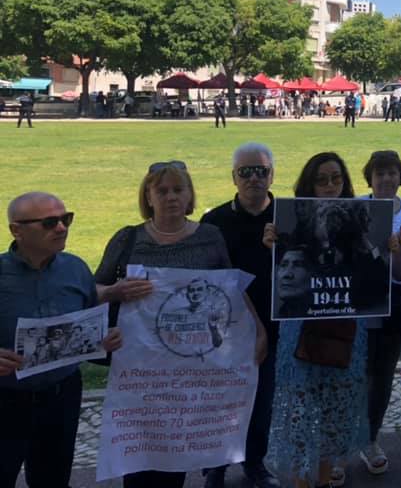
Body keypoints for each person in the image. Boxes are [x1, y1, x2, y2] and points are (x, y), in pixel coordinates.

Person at [94, 162, 267, 488]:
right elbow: (92, 290)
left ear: (189, 196)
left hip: (190, 368)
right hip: (142, 368)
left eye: (178, 190)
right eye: (162, 191)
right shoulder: (128, 238)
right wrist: (114, 291)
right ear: (148, 196)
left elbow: (230, 288)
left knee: (177, 451)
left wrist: (257, 329)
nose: (171, 197)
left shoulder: (209, 237)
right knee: (141, 452)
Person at [1, 192, 123, 488]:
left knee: (53, 479)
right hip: (6, 399)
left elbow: (89, 321)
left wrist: (103, 339)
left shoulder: (76, 268)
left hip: (61, 395)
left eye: (66, 219)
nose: (61, 228)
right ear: (17, 230)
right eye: (49, 222)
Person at [264, 152, 367, 488]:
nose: (330, 185)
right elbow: (280, 278)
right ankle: (300, 481)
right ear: (309, 184)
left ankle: (323, 480)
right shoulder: (291, 228)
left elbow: (374, 281)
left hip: (346, 329)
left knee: (334, 410)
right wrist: (271, 246)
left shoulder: (356, 229)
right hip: (300, 329)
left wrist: (383, 247)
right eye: (321, 179)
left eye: (336, 178)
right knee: (299, 407)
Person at [199, 143, 280, 488]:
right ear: (233, 177)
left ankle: (255, 462)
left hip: (273, 323)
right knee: (220, 399)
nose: (253, 178)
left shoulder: (289, 216)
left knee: (262, 400)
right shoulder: (214, 222)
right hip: (225, 326)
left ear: (272, 175)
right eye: (245, 172)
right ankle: (215, 466)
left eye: (261, 171)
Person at [358, 150, 401, 476]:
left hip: (396, 305)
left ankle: (370, 439)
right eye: (380, 173)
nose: (386, 179)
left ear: (400, 176)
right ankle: (338, 447)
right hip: (359, 305)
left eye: (392, 173)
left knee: (381, 377)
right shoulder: (354, 208)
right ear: (370, 178)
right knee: (353, 376)